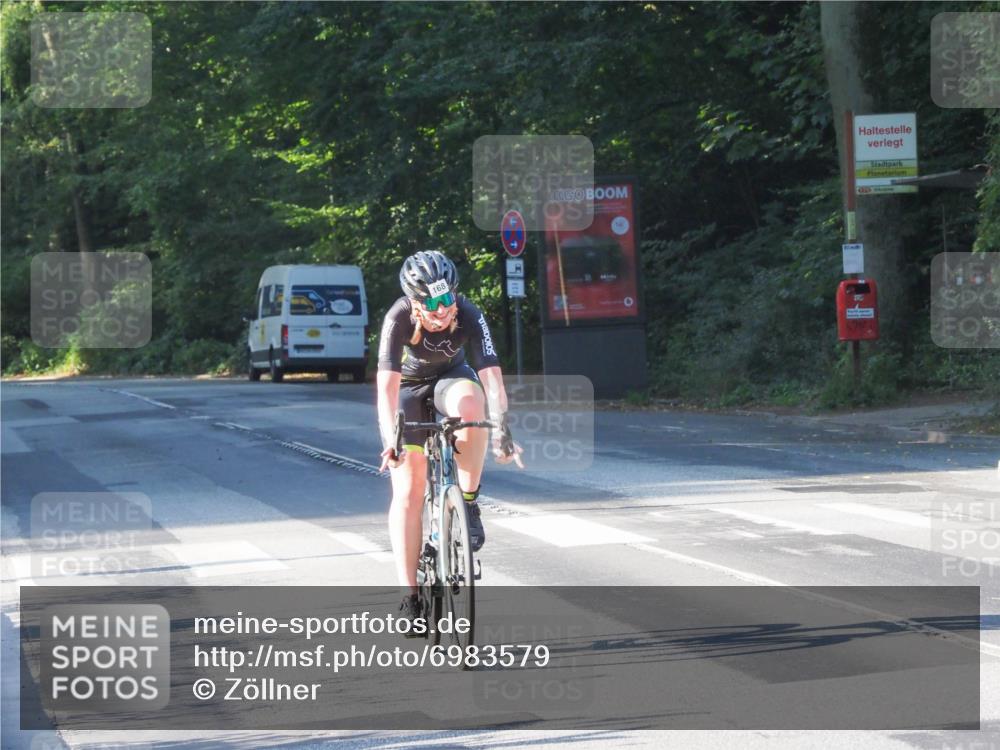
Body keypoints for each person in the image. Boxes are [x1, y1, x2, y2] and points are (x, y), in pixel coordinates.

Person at [376, 250, 523, 626]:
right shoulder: (398, 318)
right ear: (414, 302)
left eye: (447, 299)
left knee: (473, 409)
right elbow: (387, 391)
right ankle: (410, 598)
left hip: (451, 379)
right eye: (432, 303)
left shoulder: (469, 313)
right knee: (408, 491)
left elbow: (492, 376)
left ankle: (468, 501)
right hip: (408, 391)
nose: (442, 311)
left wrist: (502, 429)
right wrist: (391, 440)